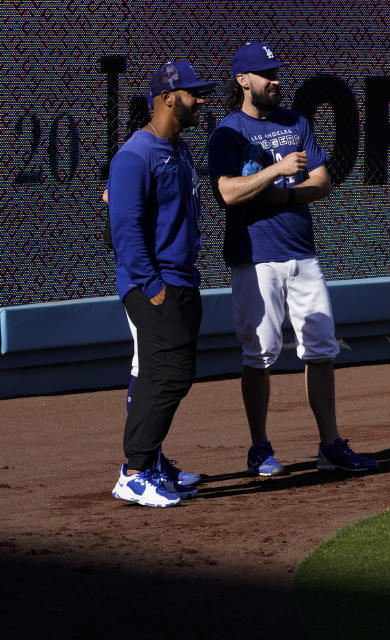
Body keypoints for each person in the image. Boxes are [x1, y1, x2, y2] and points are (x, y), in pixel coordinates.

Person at [208, 42, 378, 476]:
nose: (276, 80)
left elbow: (321, 182)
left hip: (302, 252)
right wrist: (276, 171)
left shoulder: (296, 121)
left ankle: (330, 445)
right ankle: (259, 448)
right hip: (255, 256)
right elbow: (227, 192)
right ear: (243, 81)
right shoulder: (228, 130)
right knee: (259, 355)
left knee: (321, 348)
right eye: (266, 73)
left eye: (277, 72)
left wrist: (280, 192)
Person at [108, 61, 216, 507]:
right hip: (154, 284)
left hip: (182, 278)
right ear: (168, 98)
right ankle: (134, 472)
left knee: (165, 375)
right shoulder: (136, 154)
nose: (201, 100)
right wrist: (151, 285)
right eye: (193, 93)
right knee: (168, 375)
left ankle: (150, 461)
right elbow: (126, 227)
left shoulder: (179, 149)